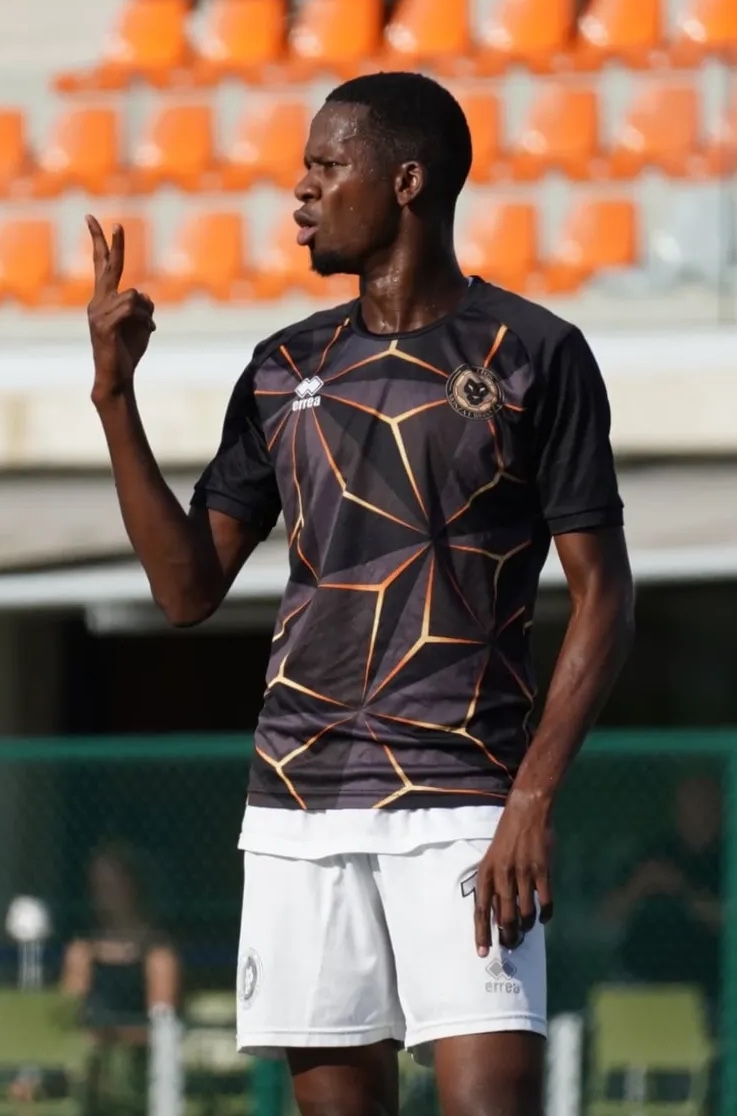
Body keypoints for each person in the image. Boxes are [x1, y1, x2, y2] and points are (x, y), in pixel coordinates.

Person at [85, 71, 634, 1116]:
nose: (301, 190)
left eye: (327, 166)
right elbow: (185, 589)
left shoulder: (535, 354)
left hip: (466, 798)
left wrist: (530, 799)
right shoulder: (281, 367)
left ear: (407, 182)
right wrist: (115, 396)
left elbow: (604, 598)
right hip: (298, 802)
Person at [61, 841, 180, 1114]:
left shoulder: (157, 952)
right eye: (97, 884)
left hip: (137, 1058)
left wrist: (113, 1036)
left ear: (133, 885)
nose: (103, 892)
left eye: (112, 883)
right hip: (89, 1058)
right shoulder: (82, 950)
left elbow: (162, 1022)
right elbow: (68, 1010)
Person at [605, 773, 722, 1003]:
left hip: (703, 986)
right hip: (639, 979)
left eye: (704, 806)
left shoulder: (725, 857)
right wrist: (640, 885)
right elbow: (605, 919)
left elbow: (723, 919)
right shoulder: (654, 852)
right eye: (688, 805)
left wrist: (681, 888)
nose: (696, 814)